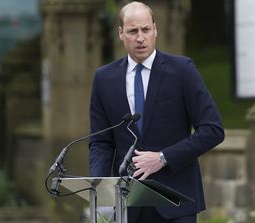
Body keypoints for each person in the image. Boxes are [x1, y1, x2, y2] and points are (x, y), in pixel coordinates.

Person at [89, 1, 225, 223]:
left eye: (146, 29)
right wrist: (99, 186)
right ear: (121, 33)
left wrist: (163, 158)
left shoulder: (182, 71)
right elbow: (101, 141)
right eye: (133, 31)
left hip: (176, 202)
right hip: (128, 203)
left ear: (155, 30)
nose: (140, 38)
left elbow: (213, 130)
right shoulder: (104, 79)